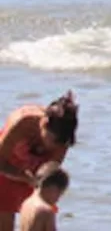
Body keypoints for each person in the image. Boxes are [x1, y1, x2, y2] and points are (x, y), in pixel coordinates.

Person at [0, 95, 75, 231]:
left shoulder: (62, 139)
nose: (55, 147)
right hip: (5, 165)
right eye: (53, 141)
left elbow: (50, 174)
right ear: (44, 123)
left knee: (40, 210)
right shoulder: (22, 122)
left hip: (35, 173)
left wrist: (36, 182)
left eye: (61, 143)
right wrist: (23, 177)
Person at [16, 164, 66, 231]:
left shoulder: (27, 203)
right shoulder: (46, 211)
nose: (58, 199)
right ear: (53, 188)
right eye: (60, 193)